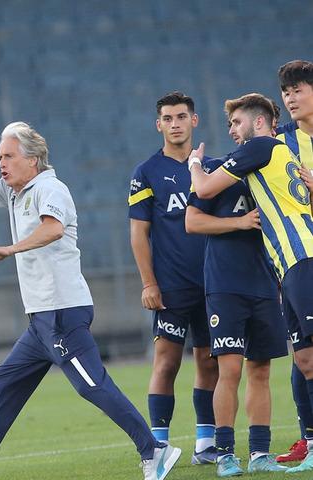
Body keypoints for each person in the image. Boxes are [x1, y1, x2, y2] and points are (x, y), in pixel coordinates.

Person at [0, 123, 180, 480]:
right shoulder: (14, 192)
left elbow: (52, 228)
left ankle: (154, 449)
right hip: (41, 321)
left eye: (8, 156)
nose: (1, 164)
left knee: (91, 384)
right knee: (3, 385)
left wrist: (9, 249)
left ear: (34, 159)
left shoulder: (50, 188)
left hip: (62, 312)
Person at [188, 92, 313, 474]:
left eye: (236, 123)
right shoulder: (274, 159)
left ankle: (258, 452)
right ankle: (228, 453)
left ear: (259, 123)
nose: (232, 131)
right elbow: (194, 218)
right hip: (257, 276)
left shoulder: (259, 149)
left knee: (284, 365)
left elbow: (204, 187)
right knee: (298, 360)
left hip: (293, 264)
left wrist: (194, 164)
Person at [128, 92, 219, 464]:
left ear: (194, 120)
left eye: (182, 116)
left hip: (214, 282)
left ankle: (205, 444)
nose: (176, 123)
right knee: (166, 362)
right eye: (168, 118)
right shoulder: (146, 172)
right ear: (159, 125)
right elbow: (138, 233)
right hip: (171, 286)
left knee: (209, 362)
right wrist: (149, 283)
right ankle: (157, 448)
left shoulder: (212, 169)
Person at [273, 59, 313, 465]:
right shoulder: (281, 142)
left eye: (298, 89)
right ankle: (308, 438)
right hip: (297, 260)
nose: (290, 98)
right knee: (303, 355)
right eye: (286, 92)